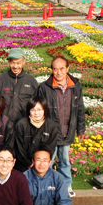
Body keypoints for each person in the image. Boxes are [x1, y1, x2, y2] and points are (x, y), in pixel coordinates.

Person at [37, 56, 85, 191]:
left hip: (67, 130)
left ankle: (66, 185)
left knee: (64, 160)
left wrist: (81, 129)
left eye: (62, 69)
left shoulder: (75, 85)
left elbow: (80, 108)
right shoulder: (44, 87)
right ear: (51, 70)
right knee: (47, 160)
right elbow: (39, 110)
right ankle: (45, 185)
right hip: (50, 132)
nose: (58, 72)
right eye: (55, 69)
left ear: (67, 69)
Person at [13, 95, 60, 173]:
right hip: (23, 165)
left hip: (41, 166)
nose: (36, 113)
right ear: (29, 110)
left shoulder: (52, 125)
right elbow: (19, 148)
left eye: (39, 110)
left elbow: (50, 147)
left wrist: (38, 163)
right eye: (33, 110)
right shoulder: (21, 124)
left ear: (45, 110)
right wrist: (29, 163)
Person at [0, 48, 38, 123]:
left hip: (25, 124)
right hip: (3, 124)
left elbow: (36, 106)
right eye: (13, 63)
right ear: (9, 62)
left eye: (18, 63)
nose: (15, 66)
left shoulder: (31, 81)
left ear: (24, 62)